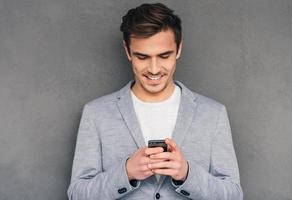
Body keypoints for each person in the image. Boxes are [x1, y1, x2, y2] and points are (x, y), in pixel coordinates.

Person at [67, 3, 243, 200]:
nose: (153, 69)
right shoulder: (96, 113)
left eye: (164, 56)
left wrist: (187, 174)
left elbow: (233, 195)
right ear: (127, 51)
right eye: (142, 57)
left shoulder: (213, 114)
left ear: (179, 48)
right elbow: (77, 194)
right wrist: (125, 173)